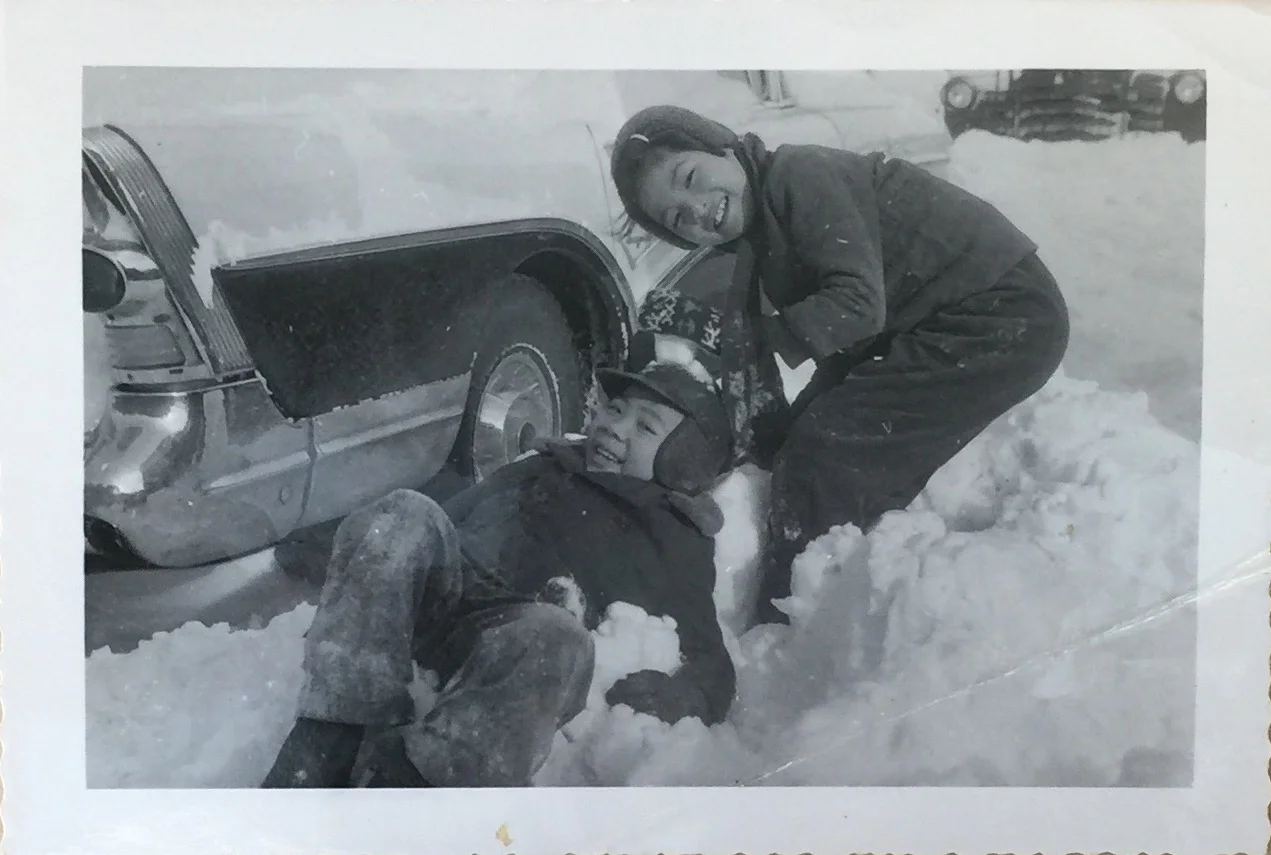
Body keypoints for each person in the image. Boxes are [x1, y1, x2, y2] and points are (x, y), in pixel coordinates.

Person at [609, 104, 1070, 625]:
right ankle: (866, 570)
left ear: (722, 144)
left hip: (1000, 311)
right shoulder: (764, 218)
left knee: (827, 449)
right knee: (815, 435)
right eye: (677, 219)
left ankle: (790, 621)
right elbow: (851, 337)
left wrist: (766, 341)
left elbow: (856, 307)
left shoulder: (800, 176)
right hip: (951, 317)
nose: (695, 210)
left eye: (690, 178)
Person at [262, 358, 735, 789]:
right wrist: (362, 547)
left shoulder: (674, 537)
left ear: (683, 460)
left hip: (515, 639)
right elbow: (437, 522)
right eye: (615, 410)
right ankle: (330, 737)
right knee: (403, 510)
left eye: (646, 427)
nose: (615, 428)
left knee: (556, 636)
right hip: (447, 599)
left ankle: (413, 786)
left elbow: (710, 659)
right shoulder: (545, 465)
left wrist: (684, 695)